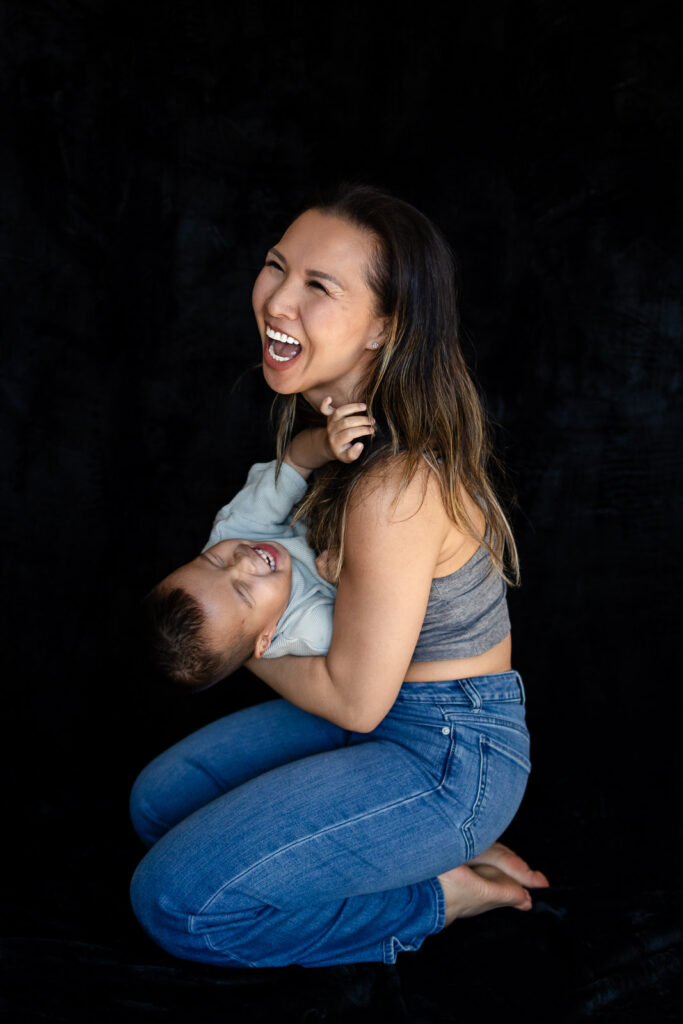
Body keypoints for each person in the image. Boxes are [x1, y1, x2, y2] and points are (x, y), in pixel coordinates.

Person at [129, 184, 549, 968]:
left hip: (447, 748)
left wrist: (245, 643)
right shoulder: (330, 432)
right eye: (276, 267)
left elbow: (357, 695)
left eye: (318, 287)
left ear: (383, 329)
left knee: (174, 905)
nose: (276, 301)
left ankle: (434, 892)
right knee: (157, 804)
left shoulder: (392, 487)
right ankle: (402, 843)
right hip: (380, 716)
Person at [143, 400, 372, 689]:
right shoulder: (310, 631)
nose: (243, 560)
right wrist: (349, 581)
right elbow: (386, 626)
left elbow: (296, 462)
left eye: (213, 561)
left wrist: (326, 443)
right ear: (265, 638)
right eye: (242, 591)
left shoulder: (233, 529)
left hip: (342, 493)